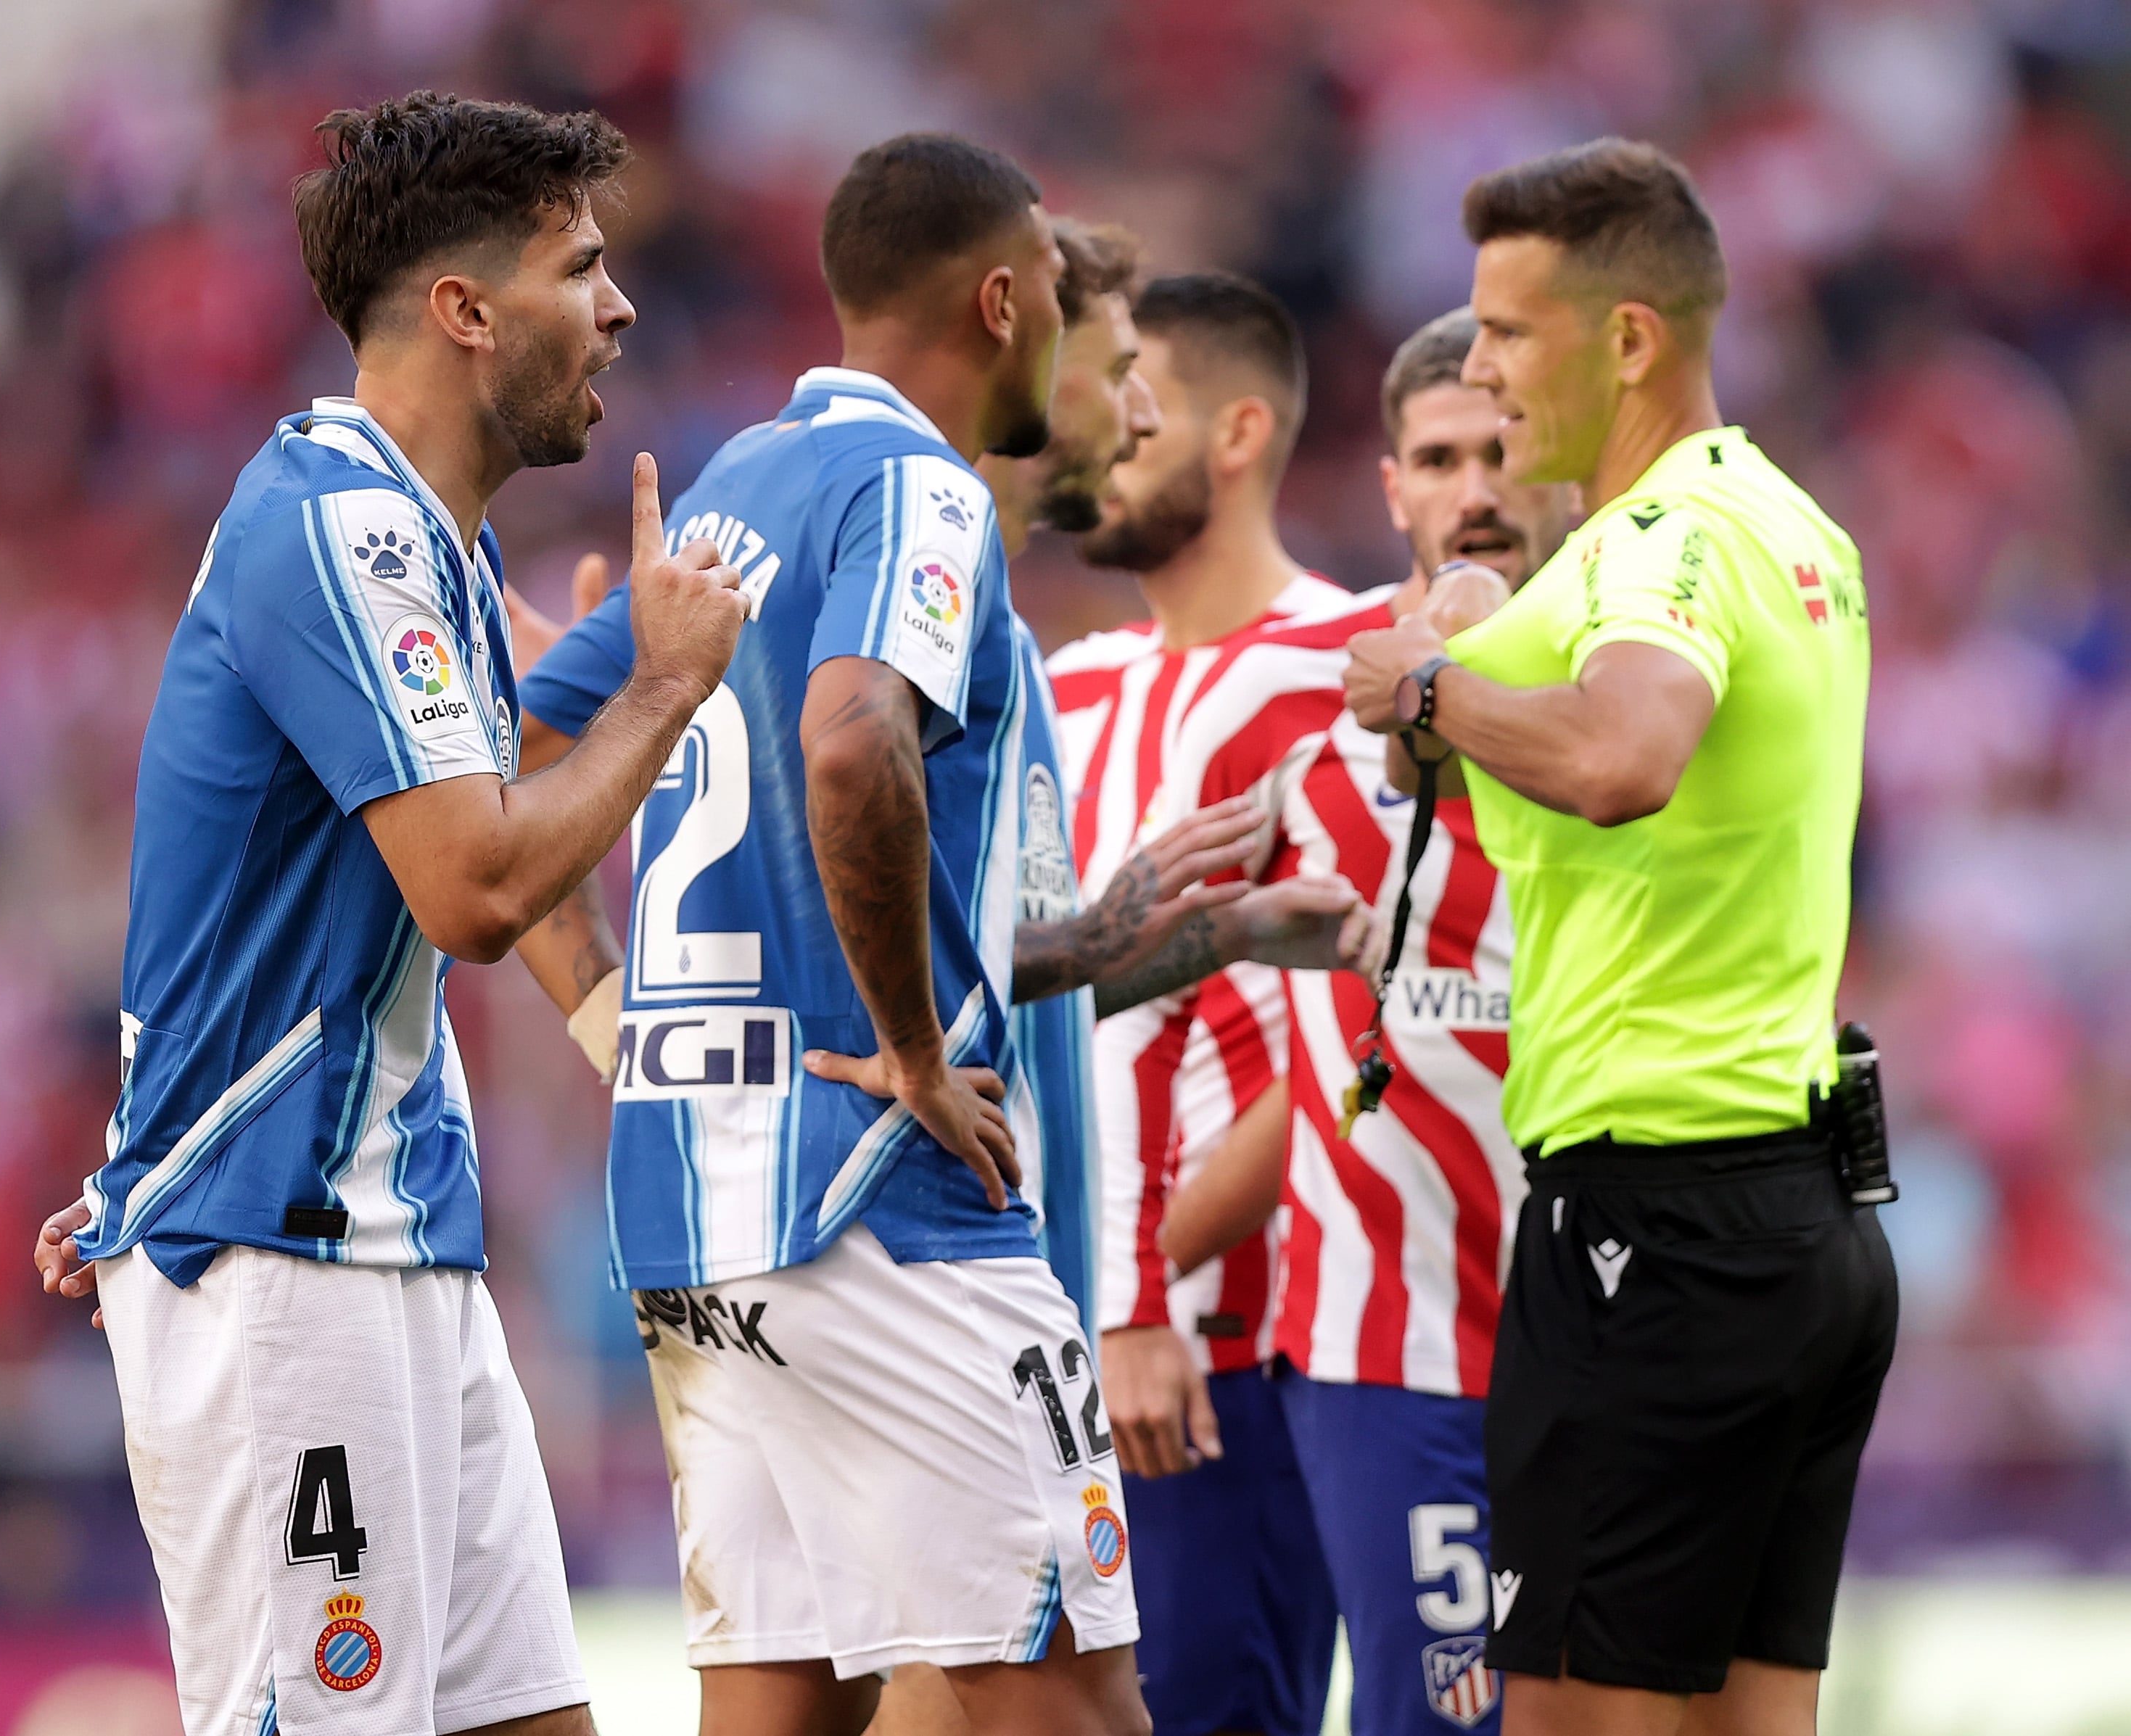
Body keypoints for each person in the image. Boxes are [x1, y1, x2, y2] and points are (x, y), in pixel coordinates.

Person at [507, 159, 1370, 1736]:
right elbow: (851, 750)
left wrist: (623, 1031)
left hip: (700, 1217)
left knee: (782, 1705)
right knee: (1083, 1703)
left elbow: (520, 746)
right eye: (1064, 308)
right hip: (880, 1203)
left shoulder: (730, 485)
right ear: (1003, 298)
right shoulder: (921, 491)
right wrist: (911, 1051)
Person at [25, 94, 749, 1736]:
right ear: (466, 310)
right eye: (582, 265)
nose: (621, 307)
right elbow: (480, 882)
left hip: (397, 1242)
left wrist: (625, 1045)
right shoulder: (340, 527)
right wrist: (663, 682)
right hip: (289, 1272)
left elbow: (519, 816)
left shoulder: (422, 549)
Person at [1340, 139, 1893, 1736]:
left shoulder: (1652, 546)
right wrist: (1450, 653)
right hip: (1803, 1221)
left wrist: (1426, 680)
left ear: (1629, 337)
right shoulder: (1792, 532)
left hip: (1649, 1230)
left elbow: (1615, 756)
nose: (1481, 367)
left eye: (1506, 332)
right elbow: (1483, 717)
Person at [1247, 308, 1570, 1736]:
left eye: (1499, 450)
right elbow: (1206, 1026)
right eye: (1436, 457)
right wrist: (1140, 1297)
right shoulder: (1310, 740)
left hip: (1619, 1326)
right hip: (1391, 1347)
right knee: (1439, 1717)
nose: (1473, 489)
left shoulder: (1632, 712)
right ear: (1391, 489)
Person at [1048, 272, 1357, 1736]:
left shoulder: (1344, 669)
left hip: (1222, 1352)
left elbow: (1358, 1046)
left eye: (1140, 407)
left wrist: (1133, 1289)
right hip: (1058, 1342)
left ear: (1237, 434)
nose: (1102, 436)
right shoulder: (1070, 685)